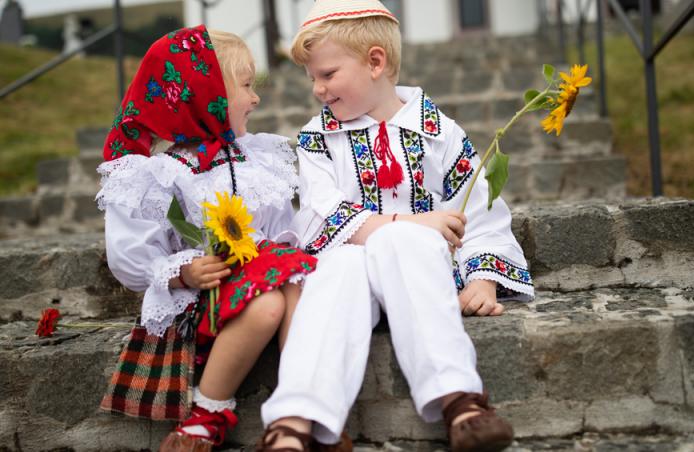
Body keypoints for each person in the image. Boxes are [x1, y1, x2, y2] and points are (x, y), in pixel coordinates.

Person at [257, 1, 535, 451]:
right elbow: (321, 213)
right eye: (312, 78)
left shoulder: (440, 132)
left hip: (418, 271)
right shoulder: (317, 140)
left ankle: (460, 400)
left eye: (327, 74)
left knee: (404, 241)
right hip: (346, 269)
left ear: (375, 62)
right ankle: (294, 421)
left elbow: (480, 209)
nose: (317, 89)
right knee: (343, 266)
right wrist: (410, 221)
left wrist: (482, 277)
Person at [96, 25, 317, 451]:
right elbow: (127, 257)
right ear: (203, 93)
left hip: (261, 286)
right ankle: (208, 410)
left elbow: (282, 234)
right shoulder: (158, 173)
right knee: (272, 299)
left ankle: (302, 401)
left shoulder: (256, 159)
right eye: (246, 86)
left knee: (292, 283)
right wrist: (183, 272)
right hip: (202, 300)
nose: (255, 98)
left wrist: (270, 258)